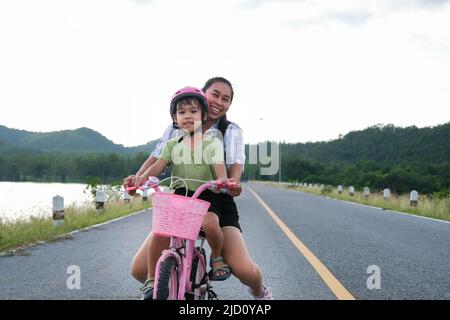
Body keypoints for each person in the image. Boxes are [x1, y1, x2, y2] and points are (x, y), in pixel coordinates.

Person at [125, 77, 273, 300]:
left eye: (226, 99)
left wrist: (231, 183)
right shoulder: (175, 132)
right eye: (215, 94)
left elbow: (234, 165)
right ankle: (180, 286)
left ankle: (259, 291)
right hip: (181, 196)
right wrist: (138, 178)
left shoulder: (227, 131)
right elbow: (156, 159)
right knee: (139, 270)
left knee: (244, 270)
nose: (219, 102)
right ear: (204, 95)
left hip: (216, 199)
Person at [136, 86, 233, 286]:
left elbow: (219, 166)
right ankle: (151, 279)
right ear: (175, 118)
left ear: (204, 115)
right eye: (181, 112)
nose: (187, 116)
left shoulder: (212, 143)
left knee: (211, 224)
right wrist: (141, 178)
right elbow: (158, 166)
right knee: (159, 232)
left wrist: (222, 181)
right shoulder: (172, 145)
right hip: (179, 195)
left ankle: (217, 257)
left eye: (193, 111)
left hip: (205, 195)